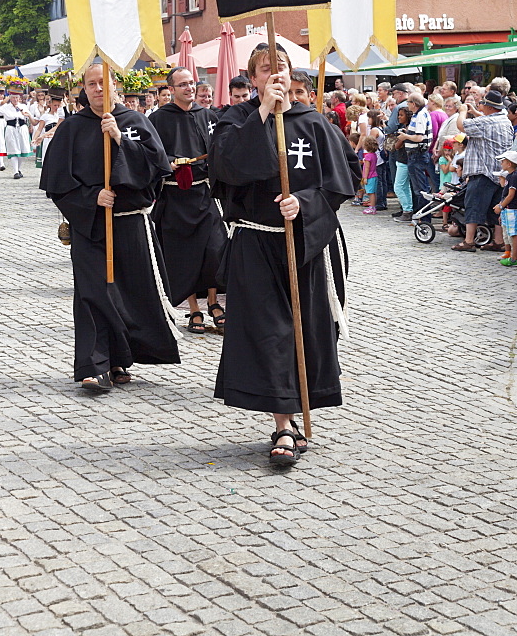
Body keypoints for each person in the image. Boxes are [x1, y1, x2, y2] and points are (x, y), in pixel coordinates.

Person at [209, 44, 360, 466]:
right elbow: (225, 169)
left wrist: (307, 203)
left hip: (304, 246)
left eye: (280, 68)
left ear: (291, 74)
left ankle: (296, 414)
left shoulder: (313, 123)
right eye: (263, 70)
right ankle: (283, 425)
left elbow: (344, 178)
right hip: (256, 244)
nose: (273, 74)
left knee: (302, 333)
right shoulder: (234, 119)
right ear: (253, 79)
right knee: (271, 334)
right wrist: (261, 114)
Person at [40, 62, 181, 391]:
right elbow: (57, 184)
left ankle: (120, 358)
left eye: (103, 83)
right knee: (92, 293)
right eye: (91, 84)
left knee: (126, 294)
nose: (98, 89)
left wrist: (121, 141)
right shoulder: (72, 128)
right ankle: (94, 364)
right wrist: (92, 197)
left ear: (115, 85)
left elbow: (158, 169)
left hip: (130, 224)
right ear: (85, 89)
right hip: (91, 227)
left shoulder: (136, 122)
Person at [149, 66, 226, 334]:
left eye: (191, 83)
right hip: (174, 197)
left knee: (214, 250)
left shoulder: (207, 116)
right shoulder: (158, 119)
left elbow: (219, 151)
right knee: (185, 255)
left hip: (204, 193)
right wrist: (166, 163)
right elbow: (151, 155)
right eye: (182, 84)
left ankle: (215, 302)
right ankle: (194, 309)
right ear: (171, 90)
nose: (189, 88)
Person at [453, 90, 513, 252]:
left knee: (473, 206)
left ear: (489, 107)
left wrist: (464, 111)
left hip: (483, 171)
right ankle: (498, 241)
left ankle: (469, 241)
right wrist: (477, 112)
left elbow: (461, 125)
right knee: (496, 208)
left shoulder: (486, 123)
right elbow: (487, 121)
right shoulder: (504, 120)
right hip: (499, 172)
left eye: (482, 104)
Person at [400, 91, 436, 213]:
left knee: (420, 188)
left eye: (408, 102)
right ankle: (421, 214)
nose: (407, 105)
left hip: (417, 154)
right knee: (420, 187)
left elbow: (419, 137)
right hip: (416, 154)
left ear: (414, 104)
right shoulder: (420, 113)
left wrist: (405, 136)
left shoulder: (420, 115)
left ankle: (423, 217)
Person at [493, 150, 517, 266]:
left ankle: (515, 257)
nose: (501, 163)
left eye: (503, 161)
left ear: (509, 163)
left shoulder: (514, 177)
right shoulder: (510, 176)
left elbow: (511, 195)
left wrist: (501, 206)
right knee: (507, 232)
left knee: (514, 233)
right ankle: (511, 253)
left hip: (513, 209)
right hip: (508, 209)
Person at [0, 88, 33, 179]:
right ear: (10, 98)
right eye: (13, 98)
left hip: (22, 129)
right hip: (11, 129)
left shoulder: (23, 106)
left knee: (22, 149)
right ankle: (15, 171)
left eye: (17, 98)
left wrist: (28, 119)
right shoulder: (6, 107)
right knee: (13, 149)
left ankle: (18, 169)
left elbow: (30, 117)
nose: (15, 99)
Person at [32, 94, 64, 169]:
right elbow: (39, 129)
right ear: (50, 105)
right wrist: (34, 138)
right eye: (55, 105)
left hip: (59, 139)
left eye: (58, 105)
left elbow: (58, 126)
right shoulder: (45, 116)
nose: (57, 107)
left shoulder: (61, 115)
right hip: (48, 139)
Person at [361, 135, 379, 215]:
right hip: (374, 175)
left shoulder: (368, 156)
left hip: (370, 176)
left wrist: (365, 177)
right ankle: (373, 206)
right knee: (373, 192)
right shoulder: (374, 155)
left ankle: (372, 207)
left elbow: (367, 168)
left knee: (370, 192)